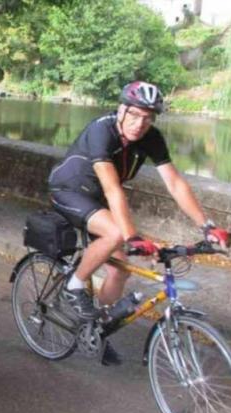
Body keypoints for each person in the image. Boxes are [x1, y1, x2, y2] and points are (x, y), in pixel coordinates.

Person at [48, 81, 228, 363]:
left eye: (147, 118)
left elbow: (175, 183)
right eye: (133, 115)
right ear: (121, 110)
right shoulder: (101, 131)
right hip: (70, 191)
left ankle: (95, 329)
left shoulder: (150, 137)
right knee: (116, 234)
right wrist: (132, 236)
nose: (139, 123)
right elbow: (112, 189)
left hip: (100, 201)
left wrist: (207, 225)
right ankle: (74, 285)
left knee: (120, 271)